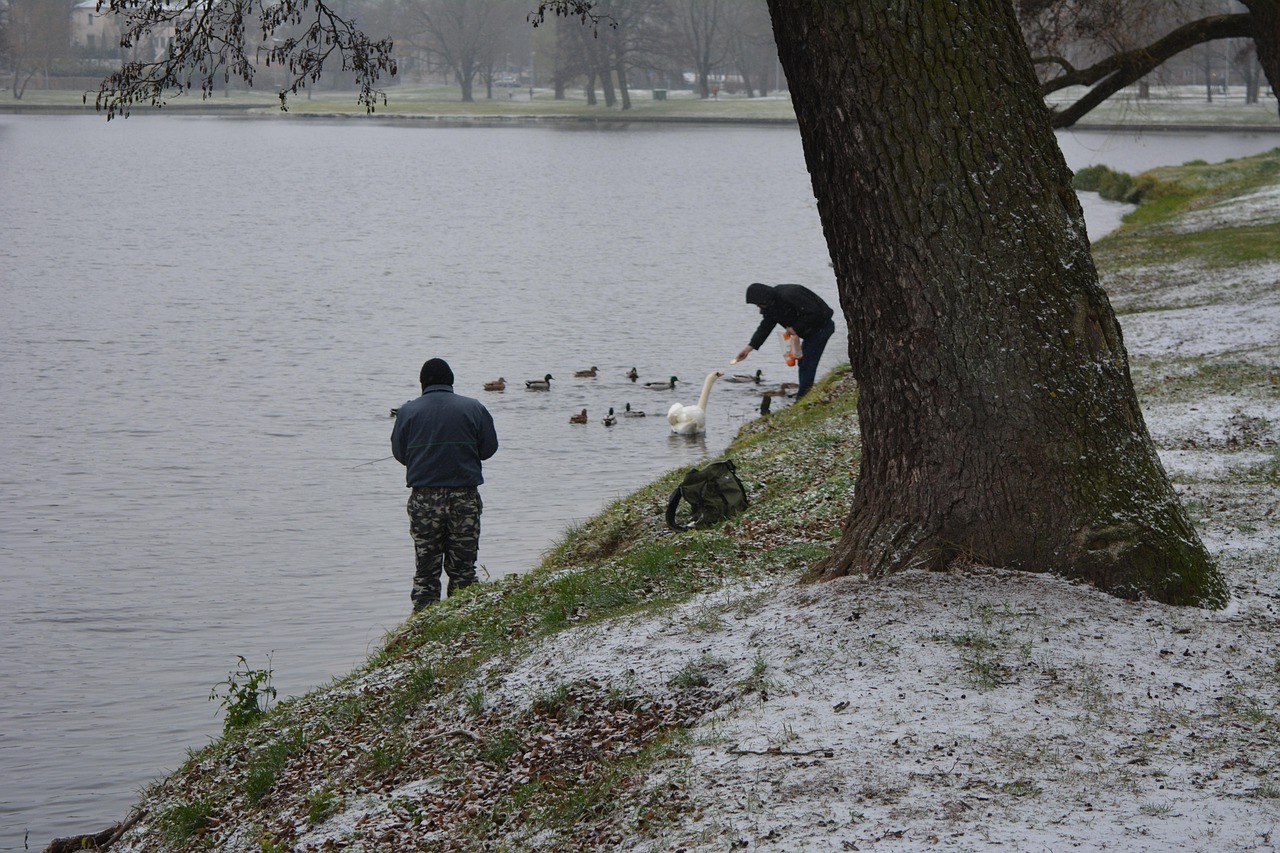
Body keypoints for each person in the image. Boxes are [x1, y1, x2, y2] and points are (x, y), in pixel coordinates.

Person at [391, 358, 499, 612]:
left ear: (423, 383)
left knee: (426, 570)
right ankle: (464, 621)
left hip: (424, 499)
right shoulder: (474, 408)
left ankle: (423, 626)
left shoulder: (407, 411)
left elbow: (399, 454)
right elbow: (488, 449)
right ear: (451, 381)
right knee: (463, 569)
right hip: (465, 497)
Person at [733, 282, 836, 399]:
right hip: (809, 332)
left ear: (765, 299)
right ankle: (804, 394)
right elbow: (765, 327)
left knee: (808, 363)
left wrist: (795, 328)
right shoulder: (771, 306)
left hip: (822, 328)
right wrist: (749, 348)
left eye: (759, 303)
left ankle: (802, 398)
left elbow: (814, 312)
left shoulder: (790, 294)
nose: (758, 306)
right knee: (803, 362)